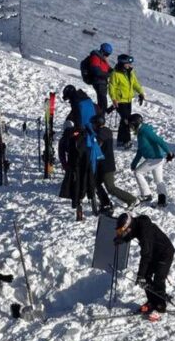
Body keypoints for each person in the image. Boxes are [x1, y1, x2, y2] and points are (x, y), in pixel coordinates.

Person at [115, 212, 175, 322]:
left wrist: (140, 275)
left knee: (158, 279)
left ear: (128, 226)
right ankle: (152, 301)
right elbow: (133, 232)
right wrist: (123, 239)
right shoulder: (137, 224)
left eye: (122, 231)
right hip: (154, 252)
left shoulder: (144, 233)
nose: (122, 233)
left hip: (165, 253)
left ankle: (160, 307)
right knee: (146, 277)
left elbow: (146, 256)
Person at [58, 85, 105, 220]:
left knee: (79, 169)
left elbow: (77, 122)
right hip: (93, 136)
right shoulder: (88, 101)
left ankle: (79, 197)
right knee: (91, 166)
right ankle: (93, 195)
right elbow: (98, 113)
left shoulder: (76, 104)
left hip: (82, 141)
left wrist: (72, 132)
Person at [92, 113, 138, 211]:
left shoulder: (104, 132)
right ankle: (105, 202)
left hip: (107, 165)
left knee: (111, 187)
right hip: (102, 165)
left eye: (93, 124)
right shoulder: (103, 131)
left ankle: (131, 199)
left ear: (97, 124)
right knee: (95, 183)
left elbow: (98, 142)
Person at [129, 113, 173, 207]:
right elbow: (140, 150)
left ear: (135, 124)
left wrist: (169, 152)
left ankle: (146, 195)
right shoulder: (140, 132)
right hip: (157, 158)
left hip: (155, 158)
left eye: (131, 125)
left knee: (138, 173)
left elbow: (159, 140)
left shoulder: (145, 131)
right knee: (158, 180)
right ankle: (162, 200)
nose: (130, 127)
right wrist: (134, 163)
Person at [109, 53, 145, 149]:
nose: (130, 65)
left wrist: (141, 92)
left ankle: (120, 140)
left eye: (130, 63)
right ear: (122, 63)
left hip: (128, 100)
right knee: (126, 121)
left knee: (124, 120)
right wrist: (114, 99)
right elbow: (111, 87)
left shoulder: (130, 72)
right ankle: (126, 141)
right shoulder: (115, 74)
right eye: (127, 63)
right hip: (120, 101)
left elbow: (135, 83)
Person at [82, 42, 113, 114]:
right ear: (102, 51)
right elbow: (96, 72)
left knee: (102, 103)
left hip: (102, 82)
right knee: (103, 103)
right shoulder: (95, 57)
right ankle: (99, 119)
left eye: (108, 55)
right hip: (98, 82)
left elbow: (108, 69)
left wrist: (116, 71)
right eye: (106, 54)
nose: (107, 56)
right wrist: (109, 75)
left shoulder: (101, 58)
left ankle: (100, 117)